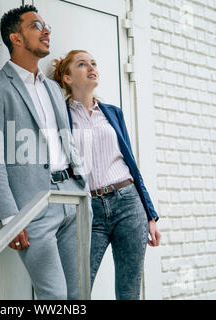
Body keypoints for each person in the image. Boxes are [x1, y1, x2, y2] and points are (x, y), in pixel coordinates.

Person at [0, 6, 90, 300]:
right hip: (34, 206)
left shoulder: (52, 89)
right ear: (16, 38)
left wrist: (83, 187)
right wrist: (10, 218)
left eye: (46, 25)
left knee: (79, 295)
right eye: (37, 26)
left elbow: (68, 140)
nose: (47, 31)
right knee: (55, 297)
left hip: (72, 199)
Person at [53, 50, 161, 300]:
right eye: (82, 64)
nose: (91, 67)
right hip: (90, 209)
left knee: (129, 291)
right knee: (78, 291)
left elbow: (131, 163)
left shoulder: (113, 112)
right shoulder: (61, 116)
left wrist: (150, 215)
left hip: (128, 203)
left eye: (94, 62)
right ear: (67, 78)